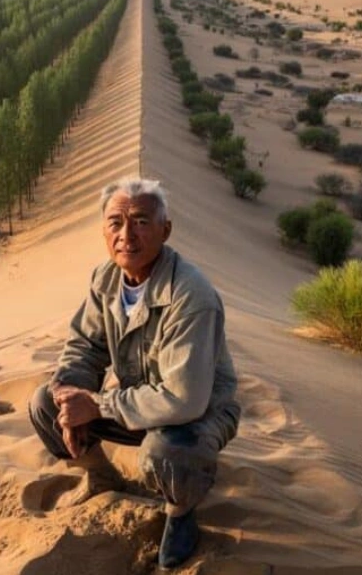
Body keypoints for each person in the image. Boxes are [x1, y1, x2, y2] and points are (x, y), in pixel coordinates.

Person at [27, 176, 240, 569]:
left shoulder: (191, 295)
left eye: (141, 221)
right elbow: (84, 346)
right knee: (44, 403)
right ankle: (101, 476)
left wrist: (98, 405)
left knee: (168, 451)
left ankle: (180, 512)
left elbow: (184, 399)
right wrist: (70, 399)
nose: (127, 234)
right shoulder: (105, 279)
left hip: (200, 414)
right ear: (103, 231)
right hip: (136, 404)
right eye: (115, 222)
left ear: (166, 230)